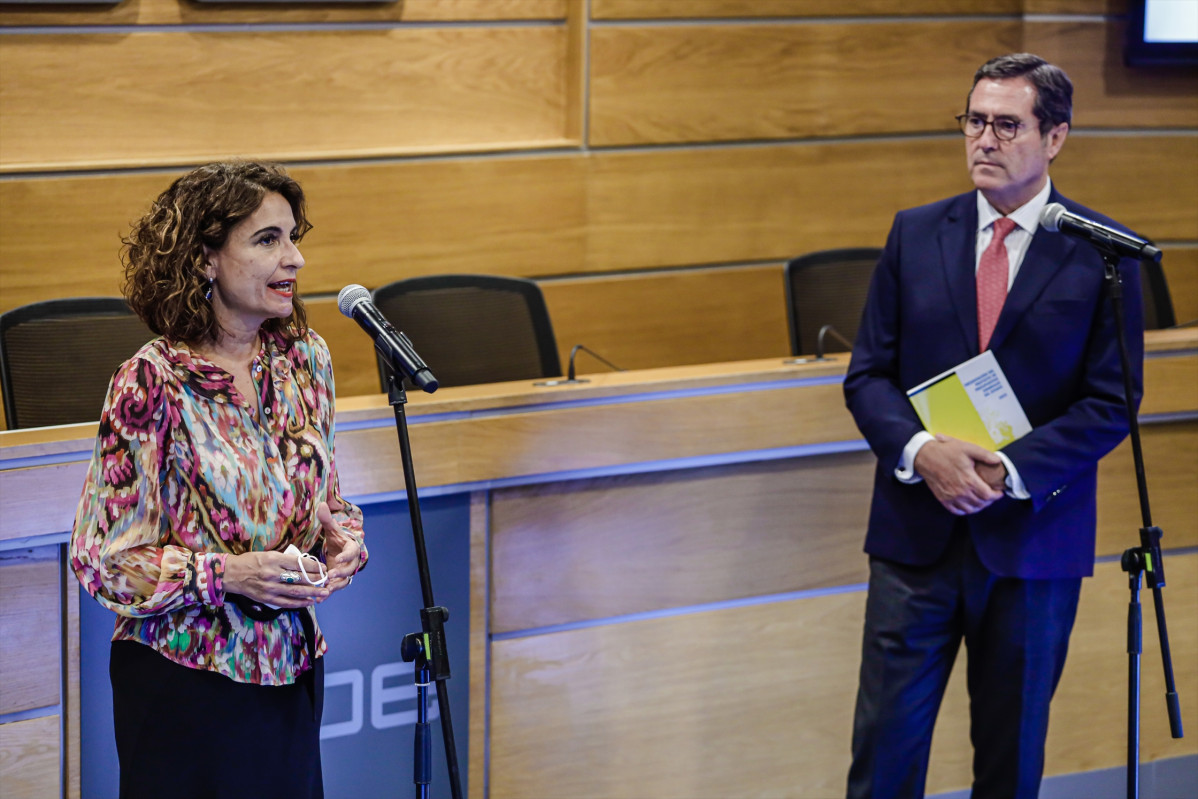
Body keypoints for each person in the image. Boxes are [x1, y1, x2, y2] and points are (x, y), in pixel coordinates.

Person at [843, 54, 1144, 798]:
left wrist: (1006, 471)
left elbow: (1112, 402)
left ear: (1055, 137)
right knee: (884, 754)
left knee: (1010, 764)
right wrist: (922, 451)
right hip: (916, 538)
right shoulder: (915, 234)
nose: (984, 139)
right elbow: (868, 375)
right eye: (975, 121)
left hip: (1033, 543)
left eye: (1007, 125)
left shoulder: (1104, 253)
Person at [70, 161, 368, 799]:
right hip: (184, 680)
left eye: (293, 238)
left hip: (291, 667)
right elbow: (103, 562)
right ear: (205, 259)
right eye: (267, 240)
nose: (295, 259)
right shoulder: (150, 382)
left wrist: (343, 542)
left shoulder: (305, 359)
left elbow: (325, 501)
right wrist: (227, 574)